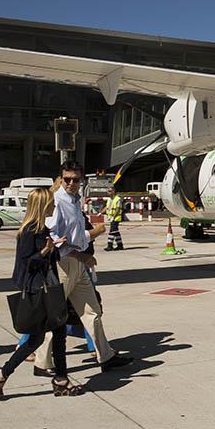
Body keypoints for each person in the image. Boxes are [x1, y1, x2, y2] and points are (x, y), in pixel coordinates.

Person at [0, 188, 85, 400]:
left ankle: (61, 380)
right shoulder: (29, 231)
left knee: (59, 334)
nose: (54, 205)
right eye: (51, 202)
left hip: (50, 284)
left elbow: (49, 258)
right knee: (35, 340)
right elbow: (26, 264)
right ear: (42, 205)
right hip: (38, 289)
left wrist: (55, 247)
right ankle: (0, 374)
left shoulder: (43, 229)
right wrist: (46, 250)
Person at [33, 161, 132, 375]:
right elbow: (53, 239)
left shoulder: (74, 200)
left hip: (78, 263)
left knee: (92, 311)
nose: (71, 183)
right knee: (55, 314)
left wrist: (85, 249)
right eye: (67, 179)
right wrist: (84, 250)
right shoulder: (57, 202)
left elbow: (76, 235)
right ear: (61, 179)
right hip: (63, 264)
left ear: (81, 181)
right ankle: (41, 363)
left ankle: (105, 356)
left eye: (75, 180)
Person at [103, 185, 124, 251]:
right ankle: (120, 245)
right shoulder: (109, 199)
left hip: (116, 218)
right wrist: (101, 212)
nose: (108, 192)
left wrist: (113, 217)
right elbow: (107, 207)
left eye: (109, 191)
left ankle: (110, 245)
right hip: (111, 218)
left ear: (113, 192)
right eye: (108, 191)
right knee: (116, 232)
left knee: (112, 232)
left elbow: (117, 209)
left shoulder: (118, 199)